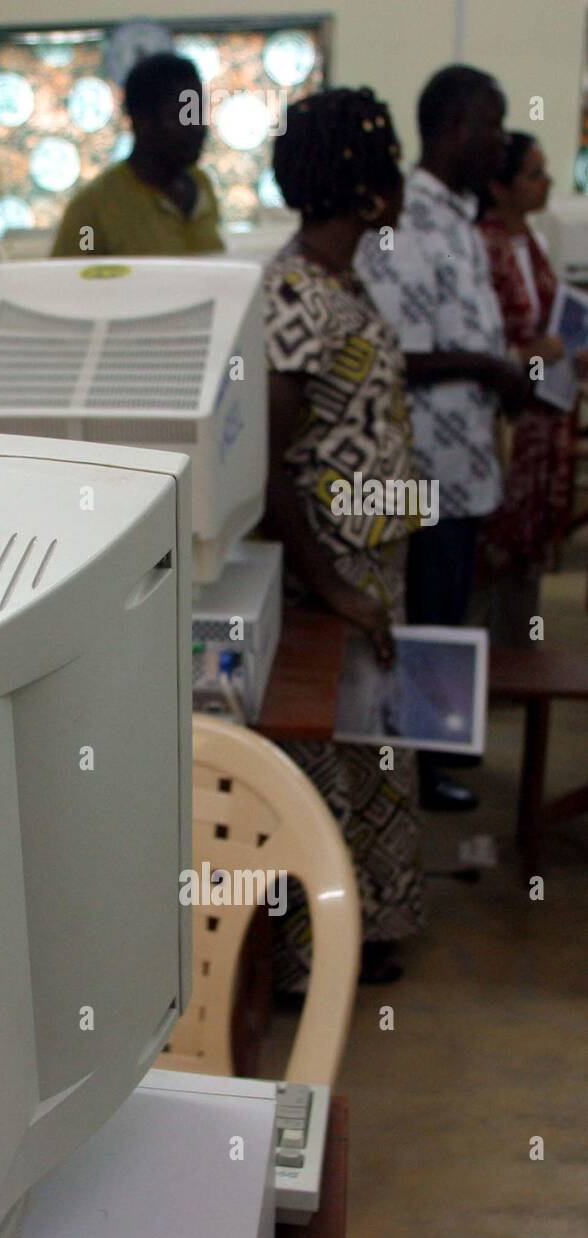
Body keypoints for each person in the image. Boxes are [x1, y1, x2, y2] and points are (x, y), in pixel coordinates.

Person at [263, 87, 423, 988]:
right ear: (366, 190)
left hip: (372, 558)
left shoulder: (340, 282)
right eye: (388, 163)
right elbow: (268, 460)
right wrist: (331, 587)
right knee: (331, 757)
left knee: (373, 749)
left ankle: (368, 930)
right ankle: (310, 959)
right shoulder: (294, 294)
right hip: (331, 570)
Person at [356, 65, 530, 813]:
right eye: (492, 124)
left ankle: (435, 761)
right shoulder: (402, 222)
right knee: (423, 618)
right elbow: (397, 352)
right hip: (421, 463)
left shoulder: (458, 216)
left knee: (447, 617)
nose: (501, 141)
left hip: (463, 464)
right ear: (455, 125)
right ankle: (416, 773)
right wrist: (491, 365)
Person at [475, 133, 580, 645]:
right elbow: (480, 341)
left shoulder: (531, 242)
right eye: (535, 174)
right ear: (500, 186)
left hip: (543, 412)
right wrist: (527, 355)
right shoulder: (481, 243)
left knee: (529, 544)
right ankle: (491, 664)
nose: (547, 183)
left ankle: (519, 648)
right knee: (494, 543)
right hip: (504, 416)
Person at [50, 52, 223, 258]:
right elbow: (68, 284)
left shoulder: (200, 185)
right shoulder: (92, 209)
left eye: (198, 114)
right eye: (182, 117)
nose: (198, 128)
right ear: (143, 122)